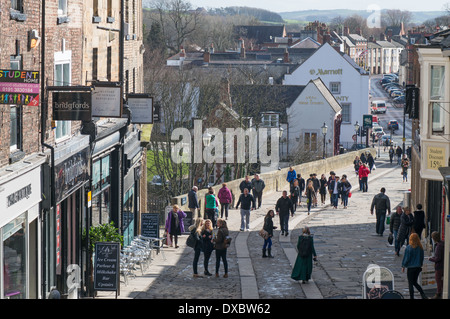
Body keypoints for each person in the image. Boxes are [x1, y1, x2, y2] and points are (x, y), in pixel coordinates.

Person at [402, 233, 427, 299]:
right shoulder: (420, 248)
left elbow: (406, 258)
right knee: (414, 282)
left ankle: (412, 297)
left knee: (410, 283)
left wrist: (403, 266)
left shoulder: (408, 248)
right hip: (418, 267)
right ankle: (422, 294)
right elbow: (422, 258)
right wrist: (420, 265)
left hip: (410, 268)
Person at [429, 231, 445, 299]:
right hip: (442, 265)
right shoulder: (442, 243)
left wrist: (430, 259)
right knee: (440, 280)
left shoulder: (438, 246)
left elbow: (438, 258)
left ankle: (438, 293)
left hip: (439, 266)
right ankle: (441, 291)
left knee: (438, 280)